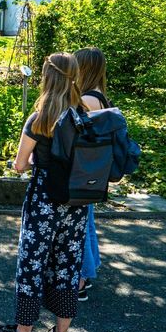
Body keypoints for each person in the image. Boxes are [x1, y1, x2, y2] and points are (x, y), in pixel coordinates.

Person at [0, 53, 90, 332]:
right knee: (67, 265)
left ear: (48, 76)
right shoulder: (83, 115)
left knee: (32, 263)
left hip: (44, 200)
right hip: (76, 202)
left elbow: (20, 164)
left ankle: (23, 331)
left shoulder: (40, 118)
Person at [74, 47, 107, 301]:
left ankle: (81, 281)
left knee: (81, 227)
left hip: (83, 171)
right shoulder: (100, 95)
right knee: (89, 223)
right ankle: (91, 269)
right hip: (95, 170)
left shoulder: (87, 99)